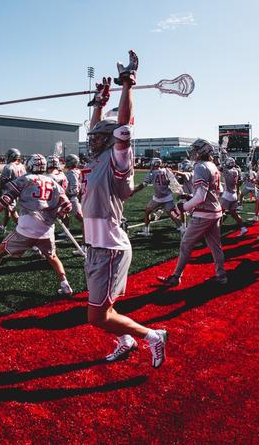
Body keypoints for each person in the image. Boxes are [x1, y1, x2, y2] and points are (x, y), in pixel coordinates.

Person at [82, 51, 168, 369]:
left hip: (110, 246)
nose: (90, 141)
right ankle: (126, 339)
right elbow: (101, 127)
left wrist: (127, 85)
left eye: (96, 139)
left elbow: (123, 126)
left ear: (111, 141)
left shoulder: (117, 155)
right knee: (102, 310)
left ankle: (152, 335)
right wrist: (98, 102)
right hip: (96, 244)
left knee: (98, 315)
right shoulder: (98, 156)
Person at [0, 153, 74, 296]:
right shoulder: (53, 182)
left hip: (27, 228)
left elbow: (5, 201)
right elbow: (68, 206)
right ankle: (65, 284)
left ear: (31, 165)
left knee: (1, 250)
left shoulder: (25, 179)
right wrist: (60, 214)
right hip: (46, 229)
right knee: (52, 257)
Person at [157, 138, 227, 287]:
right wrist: (191, 197)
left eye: (196, 149)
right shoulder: (213, 166)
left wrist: (183, 207)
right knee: (216, 247)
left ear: (202, 151)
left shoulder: (200, 167)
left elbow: (201, 197)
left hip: (203, 214)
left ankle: (176, 277)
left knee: (185, 244)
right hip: (216, 212)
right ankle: (221, 276)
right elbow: (216, 191)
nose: (193, 152)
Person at [131, 157, 185, 237]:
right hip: (168, 196)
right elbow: (171, 180)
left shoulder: (152, 173)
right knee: (172, 214)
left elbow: (144, 184)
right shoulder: (166, 170)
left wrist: (133, 191)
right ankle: (182, 229)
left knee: (147, 211)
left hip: (158, 198)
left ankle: (146, 231)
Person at [0, 148, 26, 232]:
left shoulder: (9, 167)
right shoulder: (22, 166)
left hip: (10, 192)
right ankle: (3, 227)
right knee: (8, 210)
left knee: (12, 211)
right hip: (20, 191)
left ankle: (23, 230)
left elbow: (3, 181)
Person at [219, 155, 247, 236]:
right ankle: (243, 228)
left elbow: (219, 168)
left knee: (219, 213)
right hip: (234, 194)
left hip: (227, 194)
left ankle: (217, 230)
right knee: (234, 214)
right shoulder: (236, 171)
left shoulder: (227, 171)